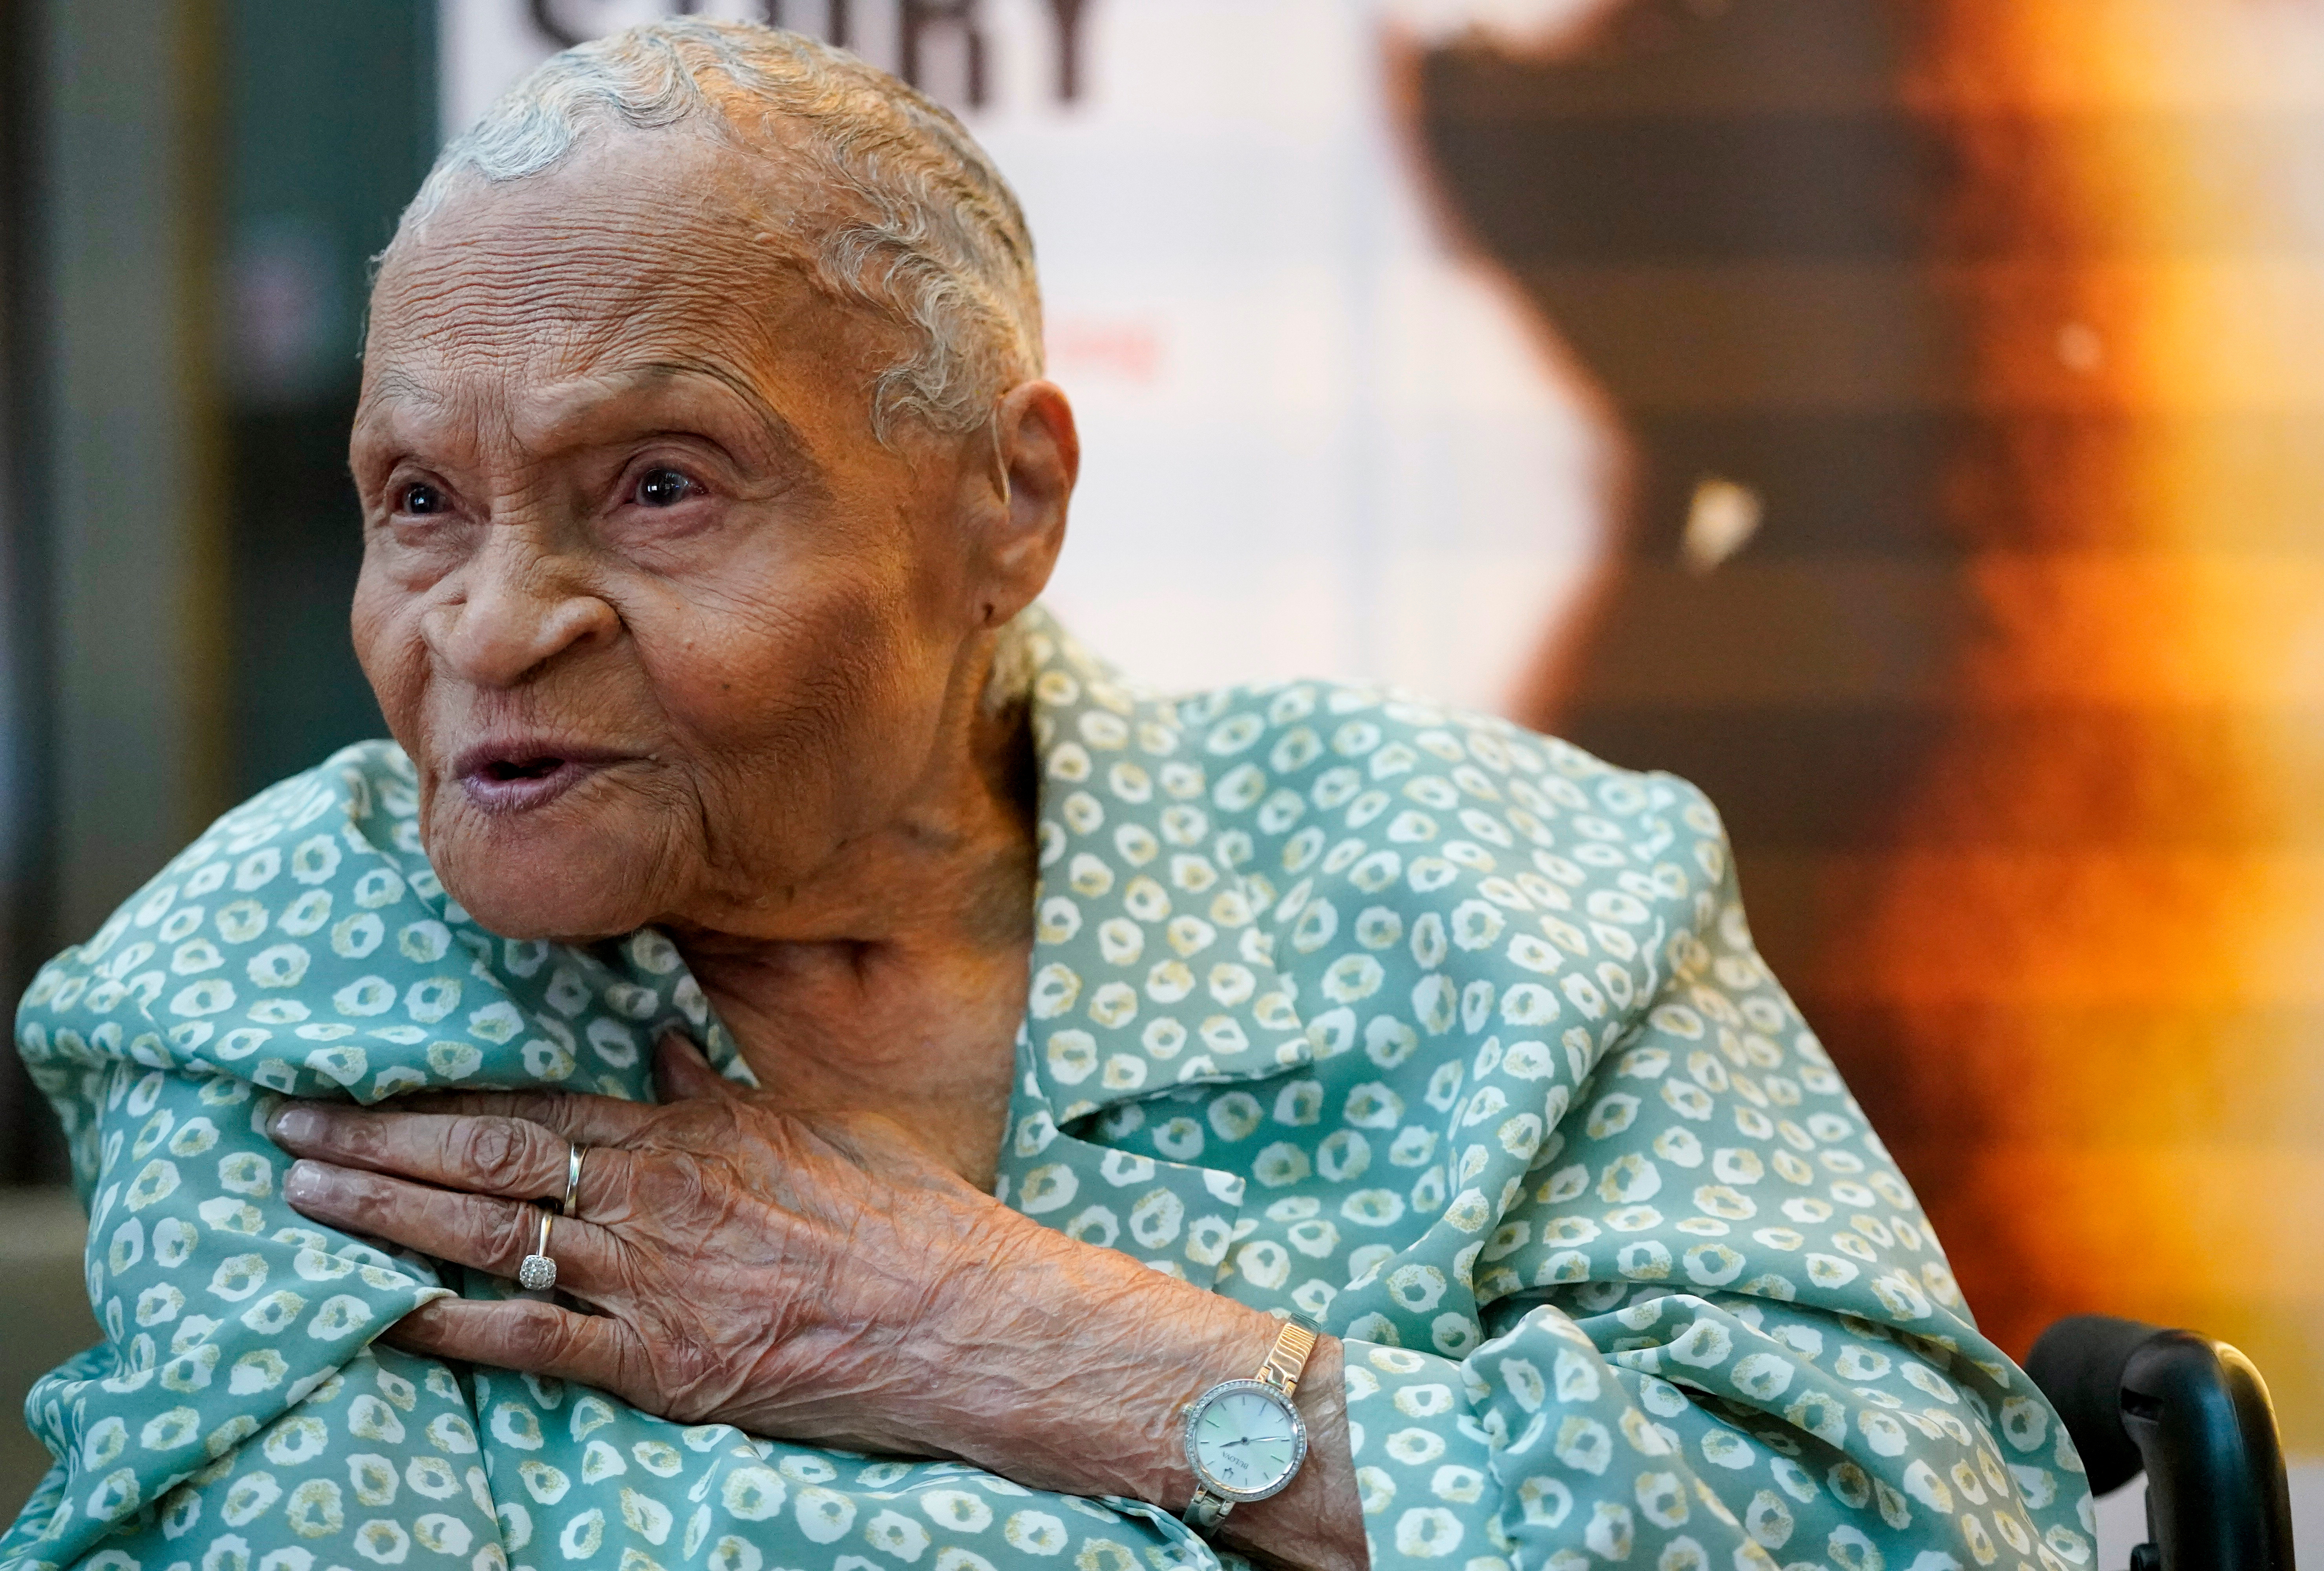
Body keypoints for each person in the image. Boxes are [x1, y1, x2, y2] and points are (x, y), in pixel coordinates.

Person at [4, 20, 2091, 1571]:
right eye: (419, 503)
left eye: (657, 486)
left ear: (1010, 505)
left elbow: (1909, 1519)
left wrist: (1003, 1336)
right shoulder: (289, 995)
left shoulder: (1506, 892)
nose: (485, 626)